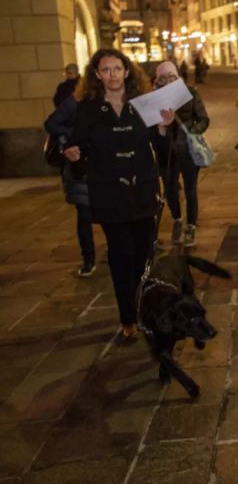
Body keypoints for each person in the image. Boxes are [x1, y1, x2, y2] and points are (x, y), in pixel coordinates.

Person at [63, 49, 174, 340]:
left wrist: (162, 128)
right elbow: (78, 149)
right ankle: (128, 318)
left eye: (117, 68)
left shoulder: (142, 105)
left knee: (143, 254)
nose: (112, 74)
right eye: (106, 69)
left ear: (127, 71)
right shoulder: (88, 108)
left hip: (143, 190)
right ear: (97, 75)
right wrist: (74, 156)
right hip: (110, 193)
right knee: (121, 254)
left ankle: (142, 307)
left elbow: (162, 154)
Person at [152, 61, 209, 247]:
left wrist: (192, 130)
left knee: (190, 189)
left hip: (188, 149)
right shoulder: (154, 98)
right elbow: (151, 128)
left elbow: (203, 119)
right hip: (165, 151)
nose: (167, 80)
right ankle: (177, 219)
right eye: (163, 77)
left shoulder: (190, 93)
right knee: (170, 189)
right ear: (158, 80)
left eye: (171, 76)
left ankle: (191, 226)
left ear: (177, 76)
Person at [45, 67, 96, 277]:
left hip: (104, 168)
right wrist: (76, 134)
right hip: (79, 168)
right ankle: (88, 259)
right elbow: (51, 123)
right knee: (84, 215)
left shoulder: (111, 102)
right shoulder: (74, 101)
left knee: (112, 215)